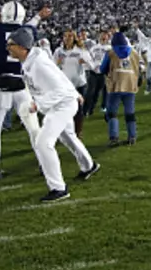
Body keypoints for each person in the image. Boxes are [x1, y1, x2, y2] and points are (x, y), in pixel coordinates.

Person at [6, 28, 100, 201]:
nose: (8, 47)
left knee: (43, 142)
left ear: (22, 47)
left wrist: (38, 105)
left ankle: (58, 188)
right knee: (67, 137)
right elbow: (59, 75)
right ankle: (89, 165)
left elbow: (58, 89)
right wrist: (73, 92)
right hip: (60, 102)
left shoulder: (38, 64)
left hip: (62, 105)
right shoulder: (31, 60)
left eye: (11, 44)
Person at [0, 2, 51, 180]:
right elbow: (30, 27)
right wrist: (39, 15)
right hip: (20, 84)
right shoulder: (27, 31)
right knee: (33, 128)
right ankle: (44, 163)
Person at [100, 32, 140, 146]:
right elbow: (140, 68)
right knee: (130, 113)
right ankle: (132, 136)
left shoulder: (111, 53)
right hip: (130, 85)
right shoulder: (134, 53)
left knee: (112, 113)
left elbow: (102, 68)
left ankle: (114, 137)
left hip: (115, 85)